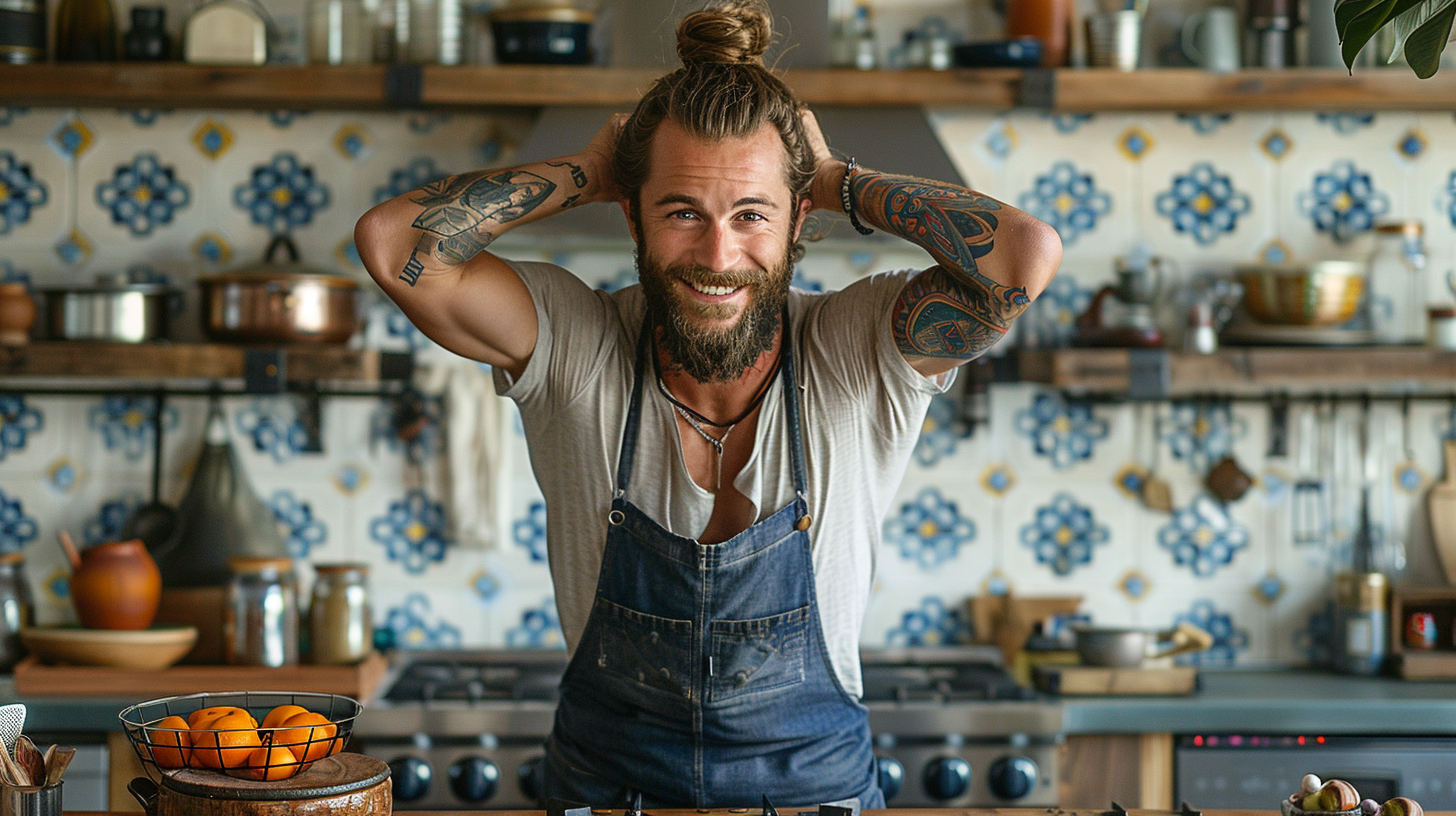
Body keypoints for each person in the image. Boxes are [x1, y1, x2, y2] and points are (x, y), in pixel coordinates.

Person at [355, 0, 1061, 807]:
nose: (719, 256)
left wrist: (835, 180)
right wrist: (591, 170)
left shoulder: (857, 350)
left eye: (751, 214)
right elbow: (392, 242)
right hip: (607, 795)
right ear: (633, 215)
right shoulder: (575, 344)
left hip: (815, 798)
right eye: (682, 212)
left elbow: (1022, 255)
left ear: (799, 221)